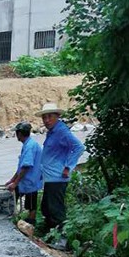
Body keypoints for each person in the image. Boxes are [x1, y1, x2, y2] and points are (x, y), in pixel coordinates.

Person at [37, 102, 85, 241]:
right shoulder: (53, 132)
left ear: (57, 116)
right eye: (44, 118)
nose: (46, 120)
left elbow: (78, 147)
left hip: (57, 177)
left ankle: (62, 240)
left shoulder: (62, 131)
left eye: (50, 117)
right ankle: (50, 235)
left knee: (55, 210)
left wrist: (68, 166)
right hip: (50, 177)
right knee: (46, 208)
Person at [5, 122, 42, 225]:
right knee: (13, 196)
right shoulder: (28, 144)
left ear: (19, 134)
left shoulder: (30, 146)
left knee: (31, 205)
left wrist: (15, 183)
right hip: (27, 180)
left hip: (30, 180)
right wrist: (12, 180)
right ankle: (12, 216)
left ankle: (30, 224)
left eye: (16, 133)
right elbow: (20, 167)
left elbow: (26, 166)